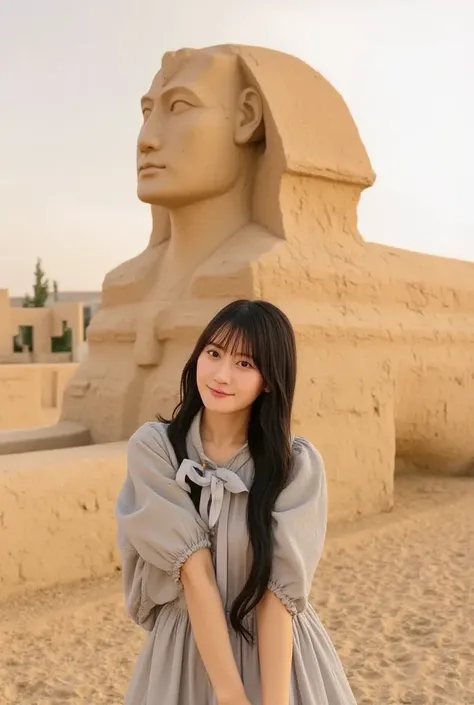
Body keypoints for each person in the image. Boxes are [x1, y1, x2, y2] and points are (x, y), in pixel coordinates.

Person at [116, 299, 357, 705]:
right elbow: (195, 573)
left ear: (268, 379)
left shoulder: (294, 465)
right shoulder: (156, 449)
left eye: (245, 363)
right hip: (188, 650)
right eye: (213, 353)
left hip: (279, 654)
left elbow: (276, 594)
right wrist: (230, 695)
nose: (221, 375)